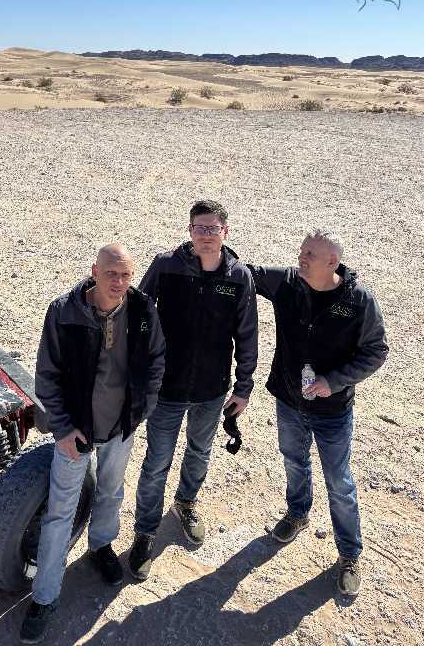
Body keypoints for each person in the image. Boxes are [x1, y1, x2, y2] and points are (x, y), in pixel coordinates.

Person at [20, 244, 165, 645]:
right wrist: (63, 429)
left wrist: (142, 410)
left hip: (121, 427)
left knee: (111, 492)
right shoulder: (64, 312)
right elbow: (47, 376)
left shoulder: (142, 309)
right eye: (111, 274)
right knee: (59, 513)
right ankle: (45, 597)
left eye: (125, 275)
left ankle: (101, 546)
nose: (118, 282)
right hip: (76, 433)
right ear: (94, 271)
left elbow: (156, 360)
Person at [248, 229, 388, 597]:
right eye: (302, 250)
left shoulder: (358, 301)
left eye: (311, 253)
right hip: (289, 401)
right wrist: (208, 243)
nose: (302, 257)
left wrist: (334, 381)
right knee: (294, 461)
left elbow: (376, 351)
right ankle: (298, 514)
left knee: (339, 482)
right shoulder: (287, 283)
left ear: (332, 262)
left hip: (332, 411)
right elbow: (245, 272)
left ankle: (349, 554)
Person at [128, 200, 258, 581]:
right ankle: (145, 531)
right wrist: (139, 368)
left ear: (225, 232)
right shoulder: (166, 265)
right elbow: (138, 314)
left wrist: (243, 386)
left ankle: (185, 503)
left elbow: (247, 333)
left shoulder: (239, 277)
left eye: (212, 229)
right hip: (167, 388)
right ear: (190, 231)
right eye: (199, 228)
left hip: (211, 390)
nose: (205, 235)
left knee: (200, 452)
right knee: (156, 463)